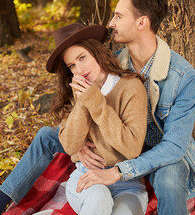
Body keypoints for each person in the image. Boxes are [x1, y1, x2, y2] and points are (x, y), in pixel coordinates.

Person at [0, 0, 195, 215]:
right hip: (111, 140)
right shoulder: (112, 63)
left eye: (118, 16)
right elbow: (85, 108)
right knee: (48, 136)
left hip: (152, 150)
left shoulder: (182, 76)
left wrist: (118, 172)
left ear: (142, 22)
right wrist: (77, 145)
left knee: (172, 173)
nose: (111, 23)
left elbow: (174, 147)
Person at [47, 23, 148, 214]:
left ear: (97, 52)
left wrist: (95, 101)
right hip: (86, 177)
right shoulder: (76, 91)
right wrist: (82, 102)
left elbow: (132, 148)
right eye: (72, 65)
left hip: (126, 182)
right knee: (98, 198)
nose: (79, 69)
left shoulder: (131, 87)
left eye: (82, 58)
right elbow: (70, 146)